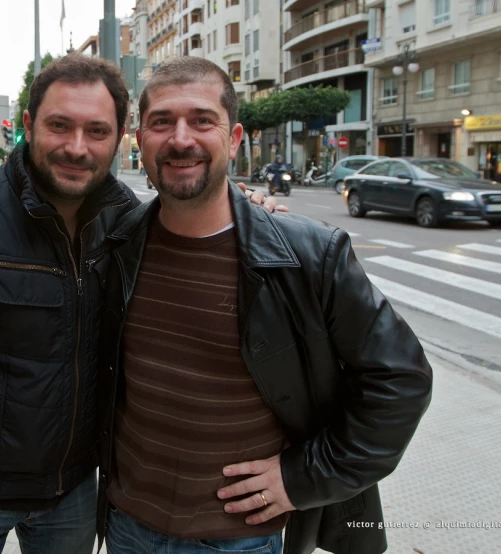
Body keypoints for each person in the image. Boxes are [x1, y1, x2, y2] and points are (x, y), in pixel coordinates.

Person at [0, 54, 276, 554]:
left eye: (97, 131)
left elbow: (202, 214)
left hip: (74, 491)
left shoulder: (128, 223)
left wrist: (251, 211)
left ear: (120, 135)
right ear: (28, 125)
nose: (76, 148)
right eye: (59, 126)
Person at [96, 57, 433, 554]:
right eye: (162, 121)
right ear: (140, 139)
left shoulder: (307, 255)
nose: (181, 138)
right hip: (127, 528)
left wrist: (302, 479)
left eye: (201, 120)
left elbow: (401, 380)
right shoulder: (118, 245)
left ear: (232, 139)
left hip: (239, 541)